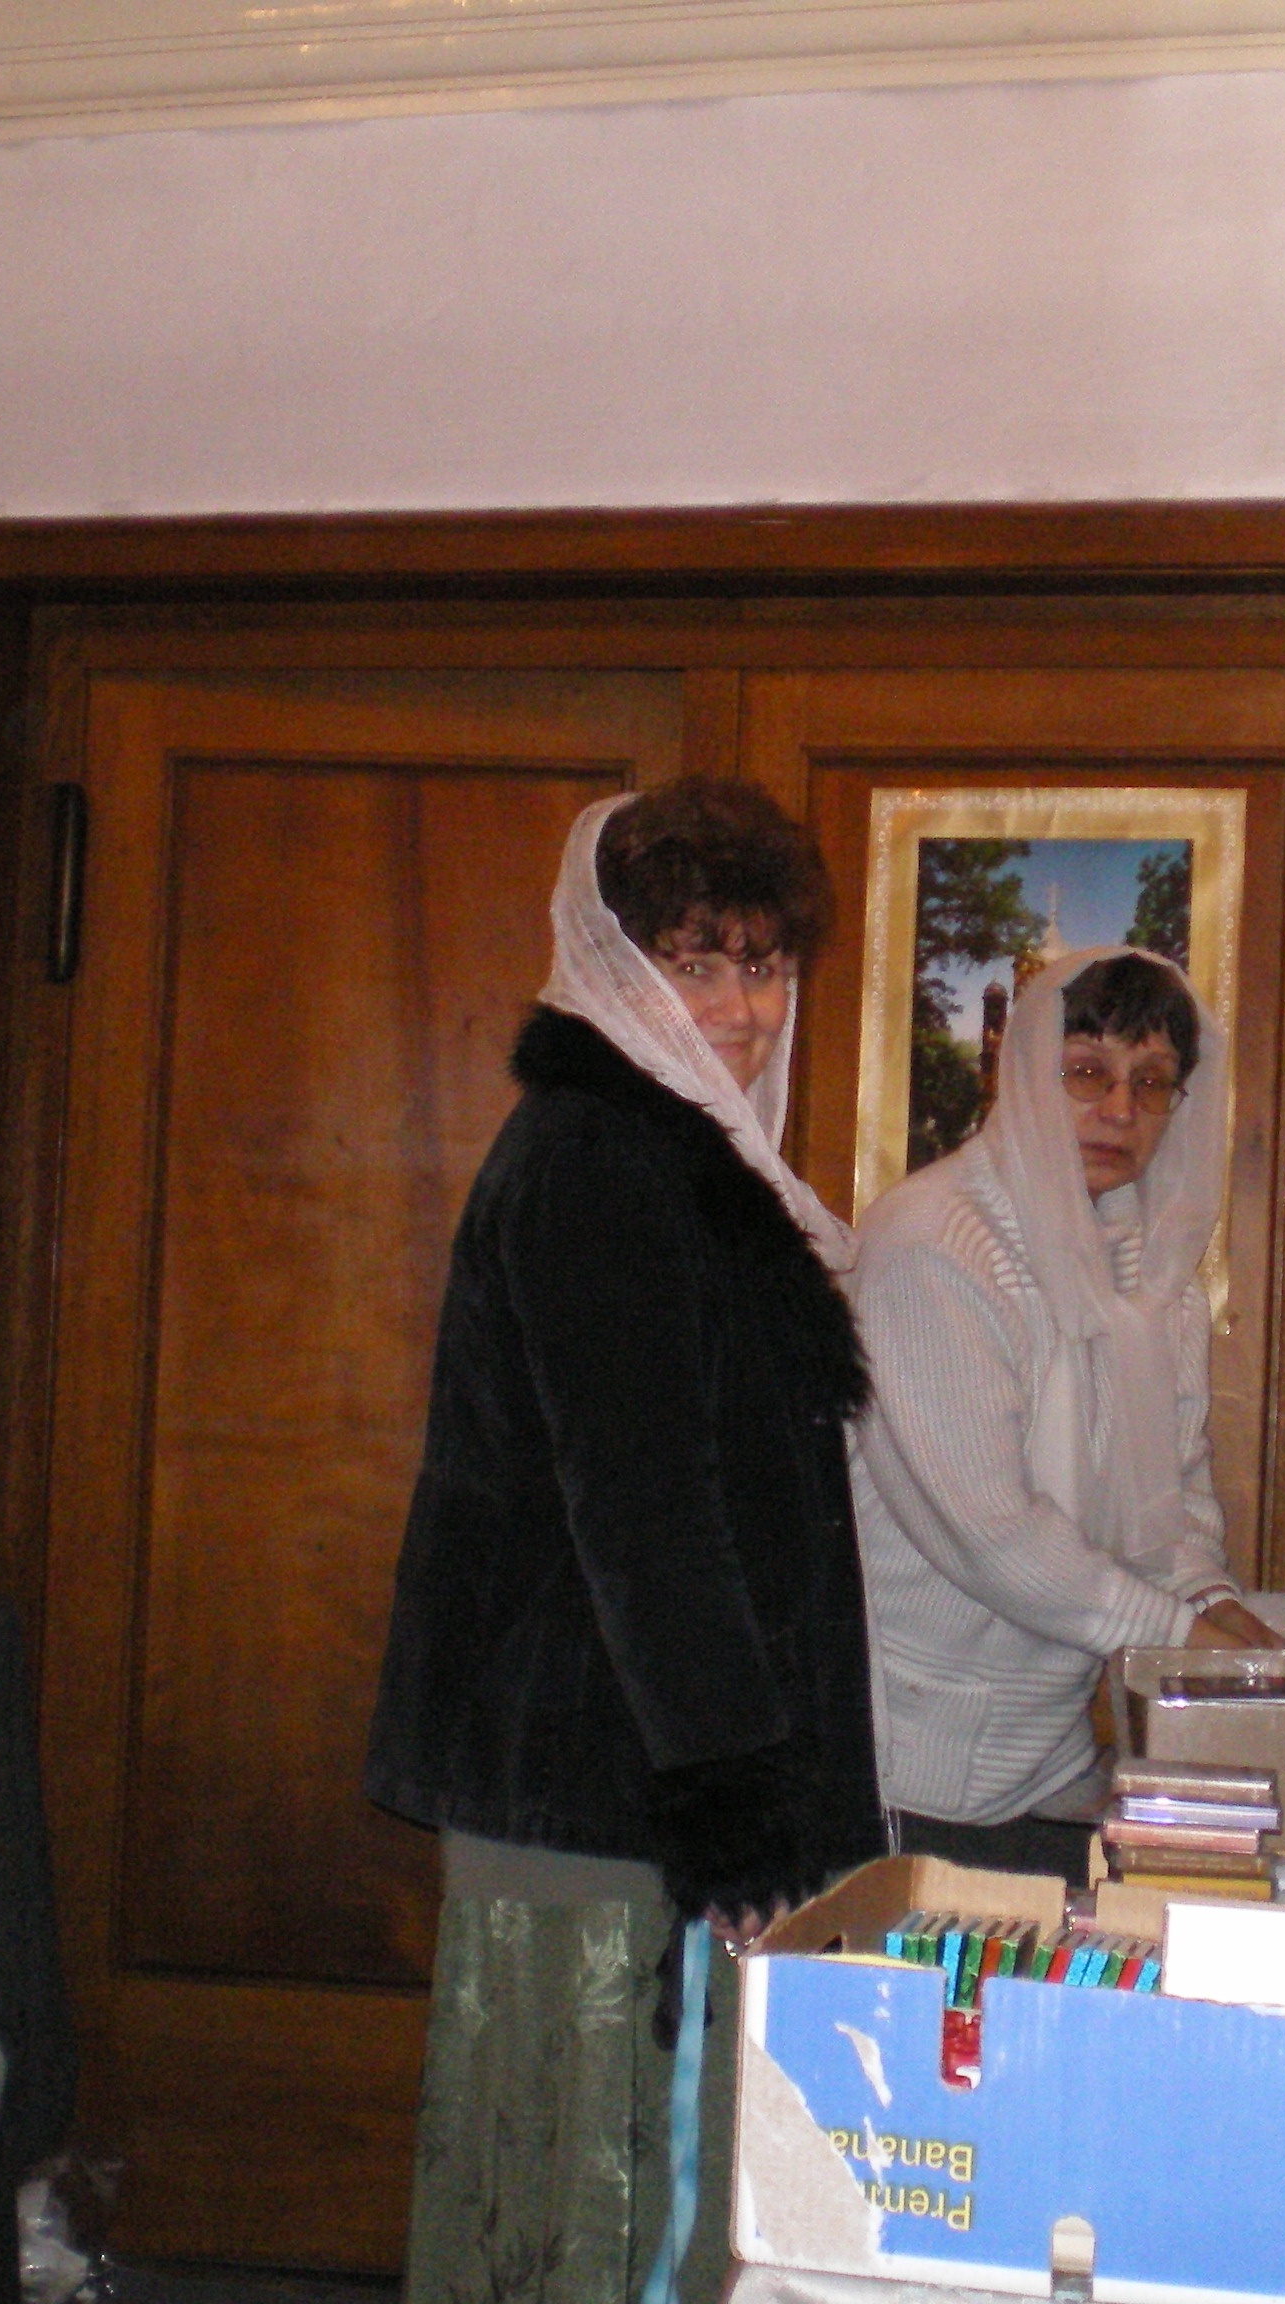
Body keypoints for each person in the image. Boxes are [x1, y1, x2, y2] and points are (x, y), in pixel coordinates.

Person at [366, 778, 882, 2304]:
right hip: (602, 1790)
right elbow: (643, 1512)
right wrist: (736, 1809)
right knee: (582, 2210)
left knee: (652, 2201)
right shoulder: (600, 1162)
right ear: (614, 969)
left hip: (644, 1772)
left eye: (764, 963)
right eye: (695, 962)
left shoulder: (687, 1164)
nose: (741, 1006)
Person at [851, 945, 1280, 1884]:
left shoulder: (1151, 1274)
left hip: (1051, 1769)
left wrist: (1221, 1612)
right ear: (1026, 1077)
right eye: (1087, 1072)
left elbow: (1172, 1503)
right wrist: (1183, 1637)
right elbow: (992, 1538)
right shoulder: (933, 1245)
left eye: (1152, 1081)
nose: (1120, 1109)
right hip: (902, 1774)